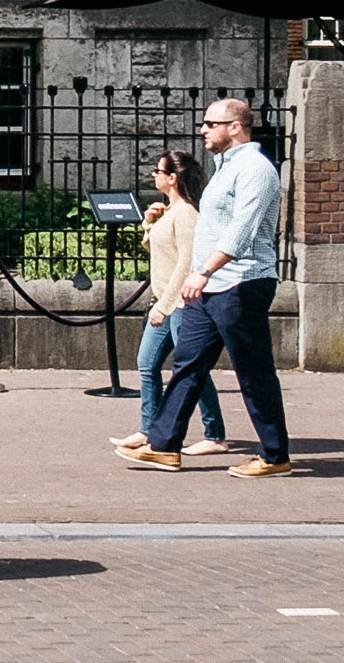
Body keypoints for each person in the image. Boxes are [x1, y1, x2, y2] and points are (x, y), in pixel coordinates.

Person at [129, 95, 292, 476]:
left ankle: (274, 455)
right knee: (187, 365)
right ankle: (163, 446)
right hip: (209, 286)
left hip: (241, 283)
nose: (202, 130)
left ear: (235, 127)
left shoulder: (255, 169)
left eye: (210, 124)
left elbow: (243, 229)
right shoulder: (225, 168)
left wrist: (202, 271)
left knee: (253, 371)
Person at [115, 149, 227, 460]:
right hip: (164, 302)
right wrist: (149, 222)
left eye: (158, 171)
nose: (154, 175)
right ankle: (148, 430)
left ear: (172, 178)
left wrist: (163, 306)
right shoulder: (170, 210)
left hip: (179, 305)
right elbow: (157, 248)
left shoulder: (187, 214)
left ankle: (215, 434)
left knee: (191, 370)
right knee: (147, 364)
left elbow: (186, 264)